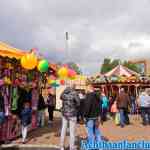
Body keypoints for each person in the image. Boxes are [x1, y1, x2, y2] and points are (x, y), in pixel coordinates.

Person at [60, 84, 80, 150]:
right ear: (74, 87)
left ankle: (61, 146)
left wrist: (65, 90)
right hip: (72, 114)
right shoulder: (75, 93)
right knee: (72, 132)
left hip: (64, 113)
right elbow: (78, 103)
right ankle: (71, 147)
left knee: (63, 130)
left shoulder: (64, 93)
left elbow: (61, 97)